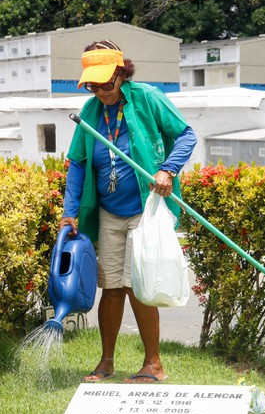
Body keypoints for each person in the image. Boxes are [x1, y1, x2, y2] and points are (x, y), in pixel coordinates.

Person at [59, 40, 196, 384]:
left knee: (139, 285)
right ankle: (106, 362)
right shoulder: (91, 111)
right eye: (93, 85)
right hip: (107, 211)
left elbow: (186, 135)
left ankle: (153, 364)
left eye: (106, 83)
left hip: (145, 209)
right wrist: (70, 212)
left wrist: (168, 169)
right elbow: (77, 164)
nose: (101, 91)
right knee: (112, 286)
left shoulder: (147, 98)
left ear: (121, 74)